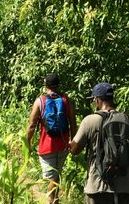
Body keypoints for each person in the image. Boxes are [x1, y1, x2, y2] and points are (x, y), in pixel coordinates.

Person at [69, 82, 129, 204]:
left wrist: (71, 143)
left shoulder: (90, 121)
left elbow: (75, 150)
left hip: (97, 187)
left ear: (97, 100)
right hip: (124, 187)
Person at [26, 73, 77, 204]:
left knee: (51, 179)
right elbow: (72, 122)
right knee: (56, 176)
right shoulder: (66, 100)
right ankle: (55, 199)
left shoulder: (40, 101)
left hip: (46, 146)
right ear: (58, 85)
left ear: (46, 86)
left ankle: (51, 201)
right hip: (63, 144)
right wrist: (72, 141)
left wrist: (28, 145)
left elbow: (32, 125)